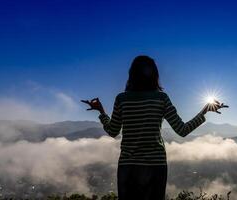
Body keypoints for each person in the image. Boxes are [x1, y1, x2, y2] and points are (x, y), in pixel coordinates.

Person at [82, 55, 228, 200]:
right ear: (155, 74)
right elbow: (182, 130)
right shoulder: (161, 98)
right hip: (155, 166)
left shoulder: (122, 99)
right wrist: (205, 111)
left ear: (131, 74)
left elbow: (113, 131)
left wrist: (101, 112)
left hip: (128, 166)